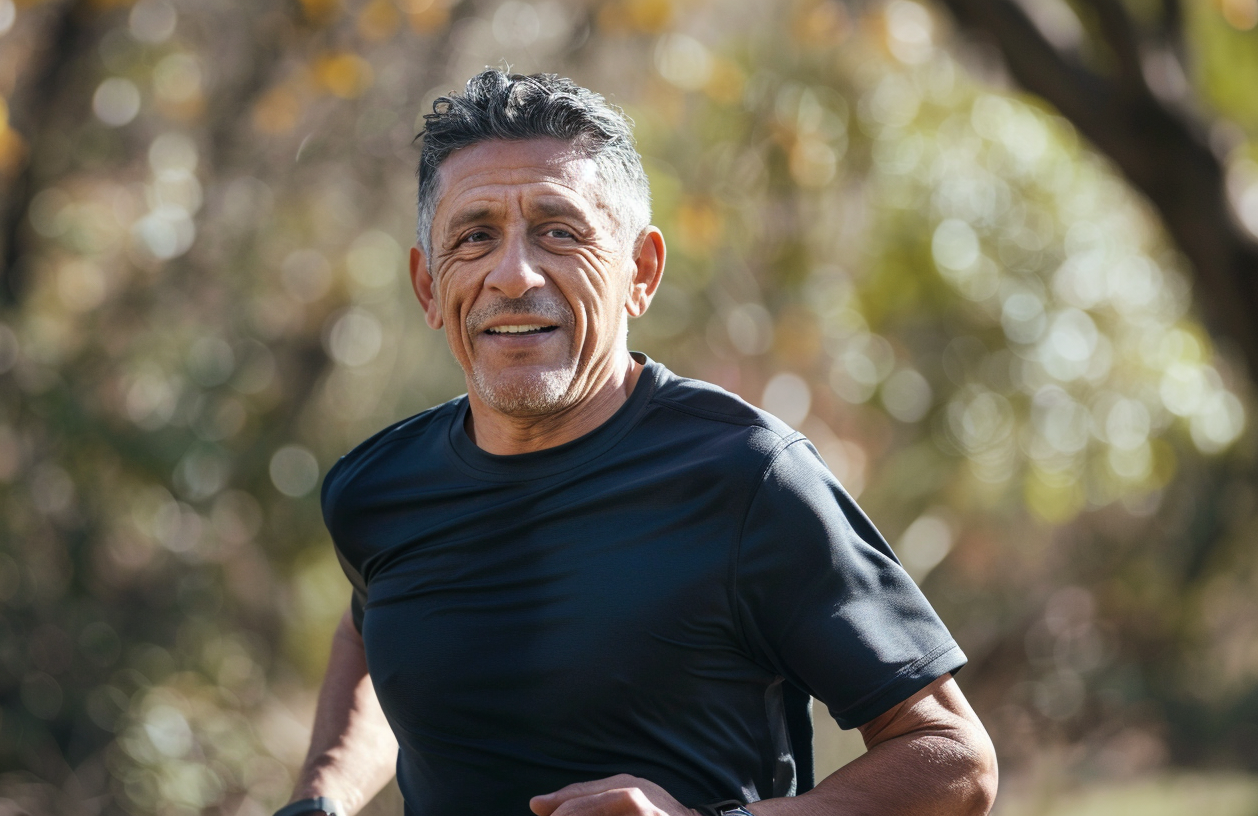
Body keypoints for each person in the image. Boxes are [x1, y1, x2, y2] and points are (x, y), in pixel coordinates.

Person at [276, 70, 998, 816]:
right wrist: (320, 795)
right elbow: (373, 627)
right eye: (475, 236)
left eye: (559, 231)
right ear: (429, 286)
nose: (513, 275)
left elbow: (954, 759)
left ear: (641, 272)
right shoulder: (379, 487)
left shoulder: (747, 478)